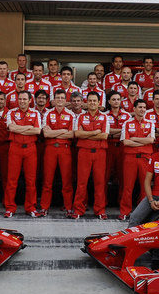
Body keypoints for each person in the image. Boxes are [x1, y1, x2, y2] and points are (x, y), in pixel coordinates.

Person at [4, 90, 42, 218]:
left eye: (25, 99)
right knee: (12, 180)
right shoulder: (11, 112)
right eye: (20, 99)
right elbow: (11, 128)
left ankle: (30, 207)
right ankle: (10, 207)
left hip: (30, 149)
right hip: (15, 148)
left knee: (31, 180)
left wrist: (19, 129)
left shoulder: (35, 113)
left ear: (30, 100)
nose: (22, 101)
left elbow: (37, 130)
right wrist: (28, 128)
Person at [73, 91, 110, 219]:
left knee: (99, 182)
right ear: (86, 102)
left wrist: (86, 133)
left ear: (99, 103)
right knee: (81, 182)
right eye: (90, 101)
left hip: (100, 153)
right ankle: (78, 209)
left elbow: (104, 135)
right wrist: (95, 132)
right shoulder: (81, 117)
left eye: (94, 101)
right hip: (84, 152)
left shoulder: (104, 117)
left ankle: (100, 210)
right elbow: (77, 134)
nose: (92, 103)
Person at [40, 89, 76, 216]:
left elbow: (71, 134)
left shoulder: (71, 114)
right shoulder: (48, 114)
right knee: (47, 180)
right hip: (50, 149)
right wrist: (63, 130)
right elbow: (46, 133)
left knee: (66, 180)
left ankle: (68, 207)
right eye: (57, 98)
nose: (60, 100)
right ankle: (44, 207)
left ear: (65, 101)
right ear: (54, 100)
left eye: (62, 98)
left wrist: (54, 132)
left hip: (65, 149)